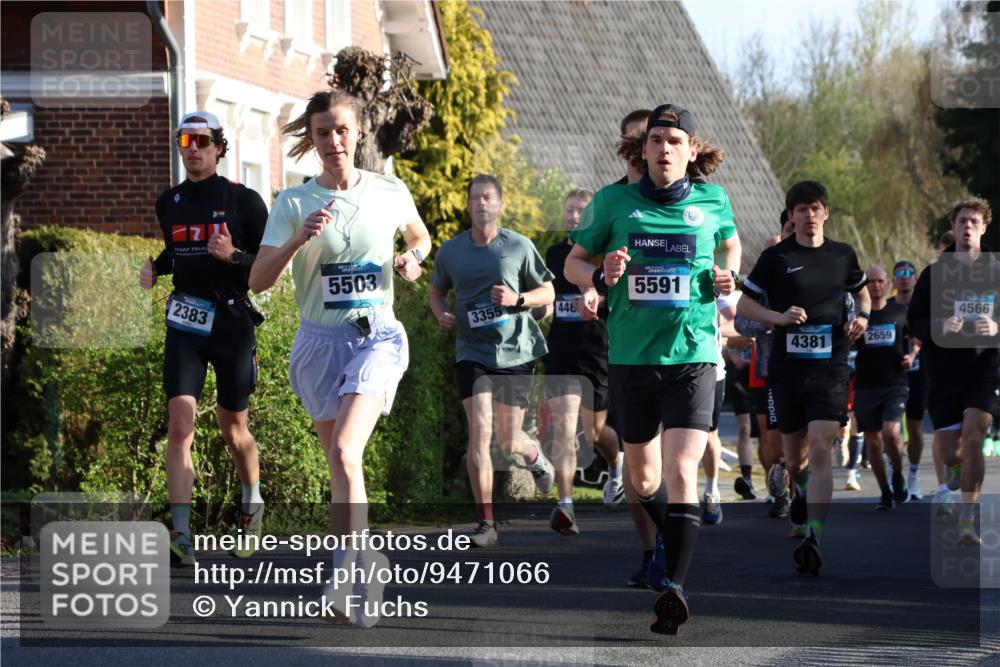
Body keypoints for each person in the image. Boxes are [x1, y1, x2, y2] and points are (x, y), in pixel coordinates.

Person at [248, 90, 431, 627]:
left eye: (342, 130)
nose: (333, 141)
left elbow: (419, 236)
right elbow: (257, 281)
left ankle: (343, 575)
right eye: (323, 132)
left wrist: (413, 258)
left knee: (348, 449)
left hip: (377, 336)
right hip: (318, 345)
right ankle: (366, 560)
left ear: (358, 133)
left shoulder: (389, 190)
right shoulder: (293, 203)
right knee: (341, 464)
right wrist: (297, 241)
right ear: (313, 139)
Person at [565, 103, 741, 634]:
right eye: (656, 140)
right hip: (632, 357)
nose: (665, 149)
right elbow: (573, 263)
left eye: (674, 141)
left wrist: (727, 273)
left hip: (693, 354)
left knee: (681, 469)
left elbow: (731, 244)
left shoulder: (712, 200)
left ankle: (674, 589)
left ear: (691, 151)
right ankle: (670, 541)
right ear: (643, 150)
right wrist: (600, 273)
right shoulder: (612, 202)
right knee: (643, 479)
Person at [140, 110, 268, 566]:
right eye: (184, 141)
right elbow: (178, 253)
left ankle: (252, 507)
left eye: (201, 141)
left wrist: (234, 256)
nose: (192, 149)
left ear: (219, 147)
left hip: (232, 322)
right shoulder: (168, 203)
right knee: (180, 425)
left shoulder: (244, 201)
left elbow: (268, 265)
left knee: (234, 430)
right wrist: (155, 268)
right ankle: (181, 534)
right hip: (186, 324)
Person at [738, 180, 870, 575]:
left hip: (831, 367)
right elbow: (743, 303)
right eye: (801, 209)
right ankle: (801, 490)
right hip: (787, 370)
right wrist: (777, 317)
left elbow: (862, 293)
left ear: (825, 213)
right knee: (794, 460)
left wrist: (863, 317)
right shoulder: (776, 257)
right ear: (791, 216)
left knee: (821, 448)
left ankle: (814, 533)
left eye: (815, 208)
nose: (809, 215)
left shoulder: (842, 254)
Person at [430, 174, 556, 548]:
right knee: (480, 432)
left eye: (488, 197)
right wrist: (440, 313)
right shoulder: (451, 252)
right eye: (475, 198)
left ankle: (533, 454)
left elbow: (548, 291)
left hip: (515, 350)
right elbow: (437, 291)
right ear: (468, 205)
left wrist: (518, 300)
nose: (481, 203)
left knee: (508, 438)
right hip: (472, 351)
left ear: (500, 204)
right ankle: (486, 523)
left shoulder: (518, 246)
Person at [909, 197, 999, 544]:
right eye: (962, 221)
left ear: (984, 227)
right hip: (944, 371)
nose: (967, 228)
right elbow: (914, 321)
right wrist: (940, 326)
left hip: (985, 368)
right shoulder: (934, 274)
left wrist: (997, 327)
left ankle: (966, 520)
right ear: (953, 227)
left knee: (975, 435)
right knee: (951, 453)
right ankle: (957, 468)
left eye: (974, 222)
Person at [539, 188, 624, 535]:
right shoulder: (555, 253)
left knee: (594, 433)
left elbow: (618, 297)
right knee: (563, 427)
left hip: (595, 349)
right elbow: (549, 296)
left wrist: (595, 301)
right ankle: (566, 505)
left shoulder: (604, 254)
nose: (574, 216)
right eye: (570, 210)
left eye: (581, 211)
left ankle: (616, 466)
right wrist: (536, 308)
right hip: (562, 349)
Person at [852, 265, 914, 510]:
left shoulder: (900, 311)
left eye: (880, 281)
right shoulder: (859, 315)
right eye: (871, 281)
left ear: (887, 283)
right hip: (866, 385)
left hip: (895, 382)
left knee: (890, 432)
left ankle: (897, 473)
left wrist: (912, 355)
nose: (876, 285)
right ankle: (885, 492)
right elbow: (846, 342)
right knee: (873, 442)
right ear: (865, 286)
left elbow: (916, 338)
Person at [889, 260, 927, 499]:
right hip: (891, 375)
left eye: (909, 273)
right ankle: (894, 472)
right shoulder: (887, 306)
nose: (904, 277)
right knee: (891, 428)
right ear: (893, 280)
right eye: (900, 273)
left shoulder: (923, 306)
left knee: (914, 426)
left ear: (915, 279)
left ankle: (913, 474)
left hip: (919, 372)